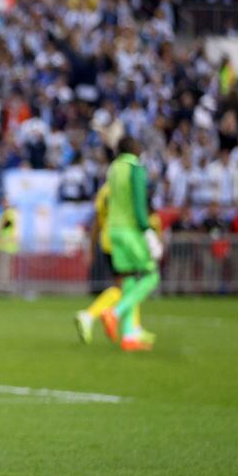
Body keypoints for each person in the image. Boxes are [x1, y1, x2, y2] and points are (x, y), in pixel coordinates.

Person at [100, 137, 163, 351]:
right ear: (134, 149)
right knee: (151, 275)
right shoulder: (135, 168)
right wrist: (148, 231)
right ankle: (114, 313)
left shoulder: (113, 168)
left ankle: (129, 336)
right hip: (129, 230)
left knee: (128, 280)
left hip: (113, 229)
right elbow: (139, 203)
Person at [0, 198, 19, 292]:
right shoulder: (8, 213)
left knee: (4, 268)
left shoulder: (8, 213)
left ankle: (3, 288)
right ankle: (4, 287)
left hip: (5, 244)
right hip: (5, 244)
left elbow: (4, 225)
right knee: (5, 268)